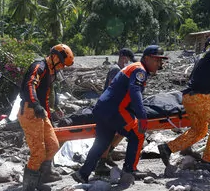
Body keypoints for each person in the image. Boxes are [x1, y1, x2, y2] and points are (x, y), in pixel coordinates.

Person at [72, 45, 168, 183]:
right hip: (115, 110)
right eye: (157, 60)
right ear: (147, 58)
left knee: (102, 142)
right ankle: (130, 169)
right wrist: (142, 117)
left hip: (102, 108)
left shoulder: (135, 67)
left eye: (161, 61)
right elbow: (135, 92)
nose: (160, 64)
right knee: (138, 133)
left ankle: (83, 173)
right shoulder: (140, 70)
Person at [158, 24, 210, 174]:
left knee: (200, 130)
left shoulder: (205, 52)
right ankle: (209, 161)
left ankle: (168, 148)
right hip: (200, 97)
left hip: (188, 97)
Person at [19, 44, 75, 191]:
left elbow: (49, 92)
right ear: (56, 57)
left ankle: (39, 179)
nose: (62, 67)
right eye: (62, 63)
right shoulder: (39, 66)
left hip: (41, 113)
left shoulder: (51, 71)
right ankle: (28, 189)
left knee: (53, 145)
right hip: (30, 111)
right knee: (38, 151)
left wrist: (54, 107)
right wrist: (35, 104)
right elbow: (30, 84)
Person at [95, 48, 137, 175]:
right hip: (110, 108)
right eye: (128, 59)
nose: (128, 62)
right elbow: (113, 90)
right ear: (123, 57)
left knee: (124, 130)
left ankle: (108, 155)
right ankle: (101, 163)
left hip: (115, 107)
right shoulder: (116, 70)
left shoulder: (120, 70)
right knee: (112, 133)